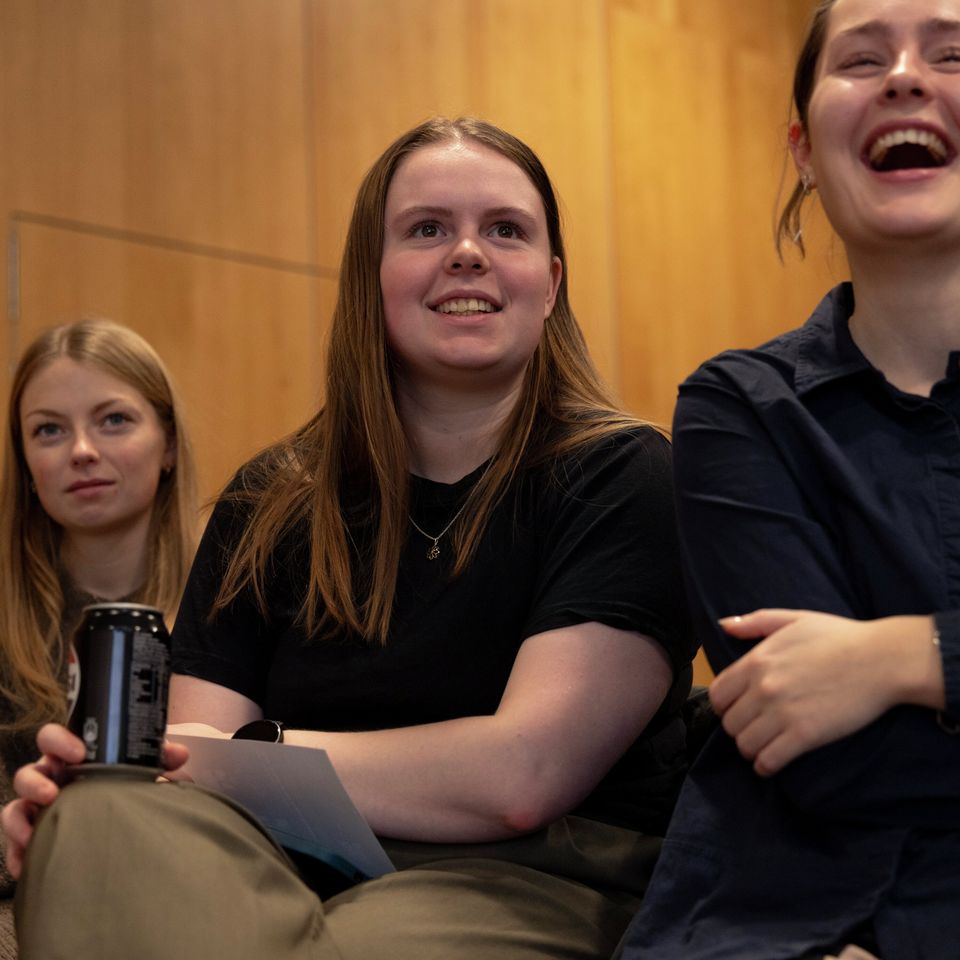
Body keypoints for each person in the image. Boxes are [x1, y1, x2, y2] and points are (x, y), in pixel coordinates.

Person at [3, 118, 695, 960]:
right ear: (373, 278)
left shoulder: (627, 476)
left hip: (527, 875)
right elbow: (189, 771)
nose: (468, 252)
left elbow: (522, 777)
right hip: (278, 861)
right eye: (427, 229)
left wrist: (262, 754)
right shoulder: (272, 497)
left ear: (550, 284)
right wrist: (99, 797)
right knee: (97, 812)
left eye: (504, 229)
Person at [615, 1, 960, 959]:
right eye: (861, 57)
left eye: (952, 52)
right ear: (805, 150)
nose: (904, 76)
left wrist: (902, 656)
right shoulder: (739, 407)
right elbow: (830, 755)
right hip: (776, 923)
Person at [0, 318, 198, 957]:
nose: (81, 450)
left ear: (168, 444)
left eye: (113, 419)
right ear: (26, 465)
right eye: (49, 430)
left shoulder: (236, 601)